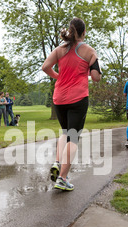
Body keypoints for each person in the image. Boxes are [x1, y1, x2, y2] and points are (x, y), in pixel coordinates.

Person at [42, 17, 101, 191]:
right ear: (83, 33)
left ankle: (57, 161)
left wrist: (58, 77)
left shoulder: (59, 49)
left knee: (65, 132)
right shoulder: (88, 51)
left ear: (70, 30)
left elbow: (45, 67)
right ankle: (62, 178)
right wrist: (88, 71)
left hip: (59, 99)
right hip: (77, 98)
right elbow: (96, 77)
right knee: (73, 138)